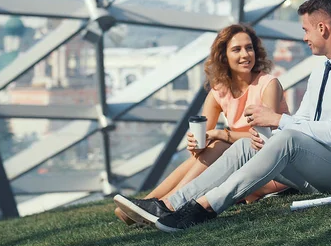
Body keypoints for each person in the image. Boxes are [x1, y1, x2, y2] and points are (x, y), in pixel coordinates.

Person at [115, 0, 331, 232]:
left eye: (306, 30)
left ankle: (204, 207)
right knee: (248, 145)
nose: (304, 37)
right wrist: (270, 135)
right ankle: (170, 205)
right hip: (319, 167)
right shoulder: (322, 69)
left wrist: (277, 121)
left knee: (286, 138)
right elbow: (305, 120)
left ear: (323, 28)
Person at [114, 23, 289, 225]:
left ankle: (164, 205)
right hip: (237, 164)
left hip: (273, 168)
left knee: (220, 144)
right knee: (212, 148)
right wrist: (196, 144)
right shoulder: (219, 92)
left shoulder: (268, 84)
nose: (245, 54)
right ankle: (148, 204)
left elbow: (266, 139)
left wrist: (224, 135)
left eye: (249, 48)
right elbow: (203, 146)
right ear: (223, 56)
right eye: (236, 49)